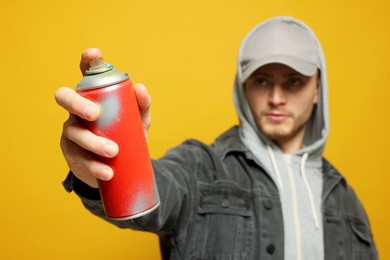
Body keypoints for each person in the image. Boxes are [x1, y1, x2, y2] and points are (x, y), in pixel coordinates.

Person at [55, 16, 378, 260]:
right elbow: (158, 196)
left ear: (317, 90)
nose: (277, 97)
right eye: (263, 81)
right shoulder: (199, 168)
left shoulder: (345, 201)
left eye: (294, 82)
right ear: (243, 87)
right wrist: (103, 174)